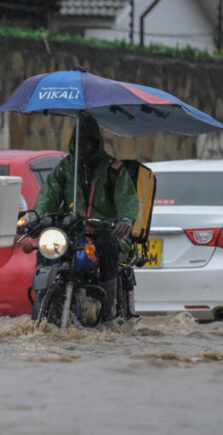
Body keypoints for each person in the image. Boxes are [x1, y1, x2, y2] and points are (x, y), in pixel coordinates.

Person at [27, 112, 139, 321]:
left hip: (104, 231)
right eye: (80, 142)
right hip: (71, 232)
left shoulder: (113, 169)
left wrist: (125, 220)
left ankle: (107, 312)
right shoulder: (64, 168)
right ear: (73, 142)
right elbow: (48, 196)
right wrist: (35, 220)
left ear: (97, 143)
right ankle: (44, 301)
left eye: (88, 142)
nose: (84, 147)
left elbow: (127, 199)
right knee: (46, 249)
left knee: (107, 247)